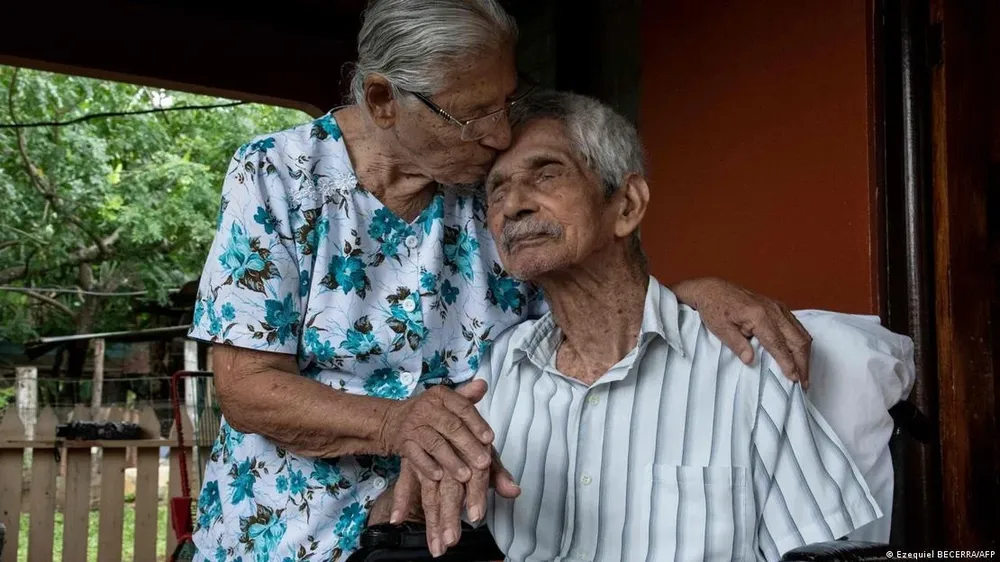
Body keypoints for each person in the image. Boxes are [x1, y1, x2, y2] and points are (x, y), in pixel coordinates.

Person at [187, 1, 814, 560]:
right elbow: (247, 387)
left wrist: (686, 297)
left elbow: (588, 281)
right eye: (471, 116)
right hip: (284, 532)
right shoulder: (279, 175)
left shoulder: (486, 186)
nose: (500, 134)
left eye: (506, 102)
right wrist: (396, 425)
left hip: (447, 533)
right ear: (382, 101)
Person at [382, 91, 902, 561]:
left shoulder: (744, 366)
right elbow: (418, 521)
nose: (513, 206)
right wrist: (419, 498)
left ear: (627, 205)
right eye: (497, 191)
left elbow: (826, 552)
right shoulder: (500, 372)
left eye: (546, 174)